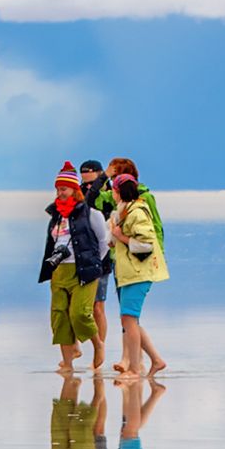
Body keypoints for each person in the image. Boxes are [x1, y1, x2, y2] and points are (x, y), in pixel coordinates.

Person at [39, 162, 110, 374]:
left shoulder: (91, 213)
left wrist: (94, 263)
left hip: (84, 271)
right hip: (59, 271)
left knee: (80, 314)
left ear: (74, 189)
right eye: (58, 189)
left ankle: (98, 344)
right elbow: (51, 244)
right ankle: (67, 365)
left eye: (64, 189)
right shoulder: (56, 215)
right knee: (60, 317)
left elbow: (104, 242)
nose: (60, 193)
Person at [108, 173, 168, 382]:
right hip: (128, 272)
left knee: (129, 318)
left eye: (113, 191)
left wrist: (120, 236)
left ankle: (134, 368)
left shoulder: (137, 212)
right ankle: (156, 360)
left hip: (139, 273)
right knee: (128, 319)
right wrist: (115, 237)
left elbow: (145, 245)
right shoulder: (124, 211)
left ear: (117, 192)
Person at [78, 158, 118, 363]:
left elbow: (94, 199)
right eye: (83, 178)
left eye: (90, 178)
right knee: (75, 305)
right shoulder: (80, 191)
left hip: (103, 255)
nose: (86, 185)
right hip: (81, 254)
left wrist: (104, 179)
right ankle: (77, 346)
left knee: (98, 307)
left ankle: (99, 347)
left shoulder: (110, 193)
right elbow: (84, 201)